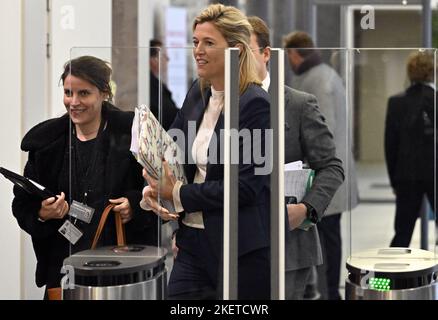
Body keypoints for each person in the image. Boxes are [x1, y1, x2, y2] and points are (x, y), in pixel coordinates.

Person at [142, 4, 271, 300]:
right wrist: (153, 185)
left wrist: (177, 194)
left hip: (239, 250)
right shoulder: (196, 94)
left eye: (209, 43)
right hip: (191, 244)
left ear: (236, 50)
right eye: (196, 42)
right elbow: (171, 154)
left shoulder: (256, 105)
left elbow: (246, 188)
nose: (198, 50)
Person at [11, 56, 157, 298]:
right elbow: (21, 204)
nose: (74, 102)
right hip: (64, 270)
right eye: (68, 92)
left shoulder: (132, 137)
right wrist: (42, 213)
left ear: (104, 94)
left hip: (120, 269)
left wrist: (135, 205)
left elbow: (157, 192)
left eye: (84, 94)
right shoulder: (46, 144)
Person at [248, 16, 344, 300]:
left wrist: (306, 208)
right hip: (231, 247)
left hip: (287, 249)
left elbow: (331, 166)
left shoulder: (298, 104)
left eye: (244, 50)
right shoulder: (216, 103)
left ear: (266, 54)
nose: (237, 59)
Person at [283, 31, 359, 300]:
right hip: (328, 176)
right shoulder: (326, 74)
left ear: (293, 53)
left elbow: (322, 137)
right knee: (329, 240)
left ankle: (330, 295)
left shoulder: (317, 80)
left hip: (324, 179)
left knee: (327, 242)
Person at [385, 51, 436, 247]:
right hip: (435, 173)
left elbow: (390, 144)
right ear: (431, 72)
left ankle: (395, 276)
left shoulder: (397, 102)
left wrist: (394, 181)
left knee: (402, 234)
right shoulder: (436, 99)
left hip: (407, 174)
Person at [149, 39, 179, 131]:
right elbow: (166, 112)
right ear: (153, 59)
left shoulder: (156, 83)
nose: (168, 59)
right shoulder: (149, 85)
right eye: (164, 56)